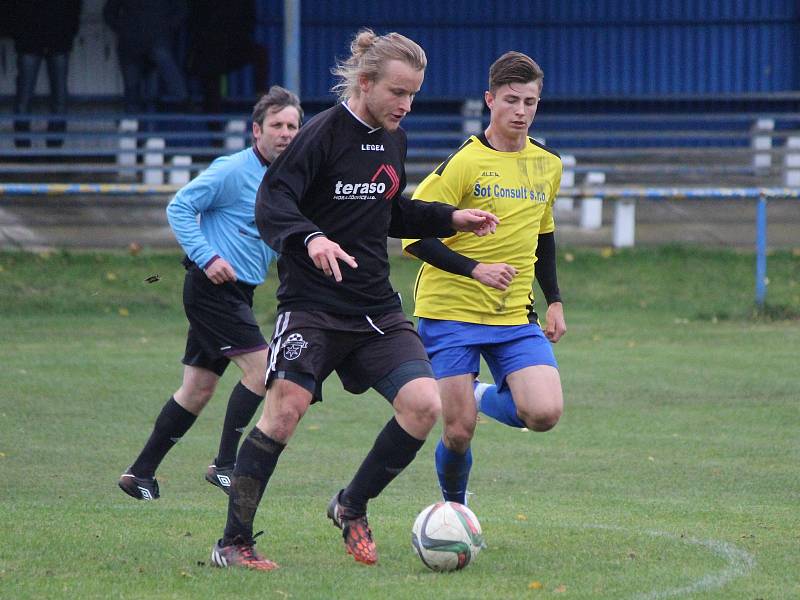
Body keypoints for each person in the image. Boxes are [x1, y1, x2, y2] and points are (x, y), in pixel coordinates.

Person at [209, 28, 499, 571]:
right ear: (365, 83)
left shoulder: (394, 138)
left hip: (375, 308)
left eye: (414, 93)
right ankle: (233, 542)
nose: (407, 105)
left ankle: (350, 505)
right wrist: (312, 238)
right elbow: (272, 205)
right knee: (285, 411)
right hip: (312, 306)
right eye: (398, 92)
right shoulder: (319, 135)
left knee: (424, 406)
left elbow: (389, 211)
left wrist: (449, 217)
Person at [118, 86, 303, 501]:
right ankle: (225, 465)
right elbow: (179, 207)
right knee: (263, 371)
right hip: (211, 288)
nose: (286, 133)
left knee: (197, 389)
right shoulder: (233, 170)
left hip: (239, 294)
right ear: (256, 130)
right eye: (277, 125)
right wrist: (207, 256)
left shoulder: (289, 179)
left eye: (293, 125)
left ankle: (140, 474)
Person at [402, 51, 566, 506]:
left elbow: (544, 236)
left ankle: (475, 391)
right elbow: (413, 238)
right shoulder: (464, 162)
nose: (521, 111)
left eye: (530, 102)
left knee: (545, 412)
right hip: (450, 310)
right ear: (490, 100)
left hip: (513, 313)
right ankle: (455, 510)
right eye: (511, 100)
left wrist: (553, 299)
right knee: (458, 433)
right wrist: (474, 269)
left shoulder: (549, 165)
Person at [10, 0, 82, 148]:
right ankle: (50, 148)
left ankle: (28, 149)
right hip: (50, 38)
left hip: (36, 39)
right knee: (55, 98)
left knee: (26, 97)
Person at [103, 0, 188, 113]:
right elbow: (182, 11)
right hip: (149, 42)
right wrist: (165, 28)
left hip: (133, 44)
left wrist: (123, 29)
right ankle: (183, 102)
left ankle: (134, 124)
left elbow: (109, 13)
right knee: (146, 90)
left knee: (133, 91)